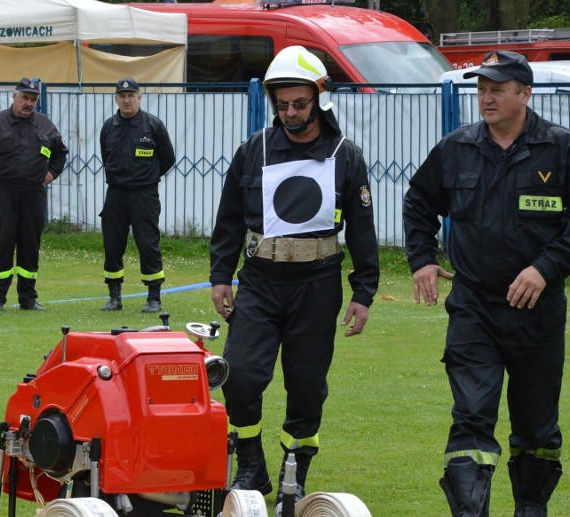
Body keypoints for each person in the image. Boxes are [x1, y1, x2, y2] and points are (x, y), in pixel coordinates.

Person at [402, 51, 570, 516]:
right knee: (471, 417)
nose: (486, 97)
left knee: (537, 429)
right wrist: (422, 259)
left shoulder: (561, 147)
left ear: (525, 93)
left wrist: (545, 267)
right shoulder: (456, 147)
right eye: (481, 89)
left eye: (497, 88)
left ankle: (530, 507)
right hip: (474, 307)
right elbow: (418, 201)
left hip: (537, 312)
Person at [209, 46, 379, 515]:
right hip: (260, 281)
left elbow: (363, 231)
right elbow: (227, 219)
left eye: (299, 104)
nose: (290, 113)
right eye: (282, 104)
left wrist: (363, 293)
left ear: (319, 97)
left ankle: (294, 474)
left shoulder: (347, 156)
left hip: (318, 284)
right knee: (238, 375)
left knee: (306, 386)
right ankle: (250, 465)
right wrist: (220, 276)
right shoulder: (254, 150)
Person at [0, 77, 68, 313]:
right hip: (3, 192)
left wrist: (53, 172)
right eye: (25, 97)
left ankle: (28, 298)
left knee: (30, 246)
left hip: (34, 194)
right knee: (2, 244)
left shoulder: (45, 126)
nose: (29, 103)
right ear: (14, 96)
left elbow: (60, 152)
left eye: (33, 99)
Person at [98, 77, 176, 313]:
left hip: (144, 195)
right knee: (112, 244)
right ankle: (114, 296)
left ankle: (153, 298)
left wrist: (147, 177)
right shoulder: (109, 126)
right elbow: (105, 157)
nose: (127, 100)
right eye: (122, 96)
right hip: (116, 194)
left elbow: (168, 159)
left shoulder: (153, 125)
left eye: (131, 95)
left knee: (148, 243)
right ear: (116, 99)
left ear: (139, 98)